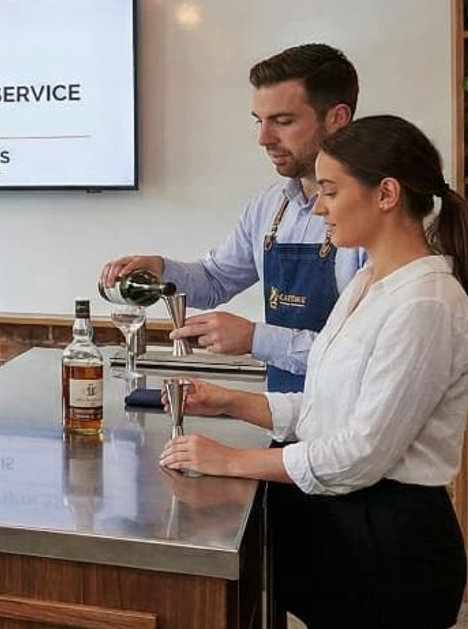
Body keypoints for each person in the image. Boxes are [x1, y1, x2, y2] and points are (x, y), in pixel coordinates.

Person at [161, 115, 468, 629]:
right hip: (351, 536)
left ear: (387, 193)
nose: (317, 204)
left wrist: (234, 459)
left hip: (391, 541)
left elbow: (361, 450)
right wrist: (234, 403)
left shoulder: (426, 301)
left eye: (332, 191)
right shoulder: (370, 284)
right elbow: (327, 410)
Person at [100, 43, 366, 393]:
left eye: (282, 122)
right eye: (259, 122)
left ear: (337, 119)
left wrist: (256, 338)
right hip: (284, 423)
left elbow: (360, 355)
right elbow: (214, 280)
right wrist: (161, 269)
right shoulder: (269, 206)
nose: (263, 138)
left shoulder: (375, 214)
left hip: (350, 431)